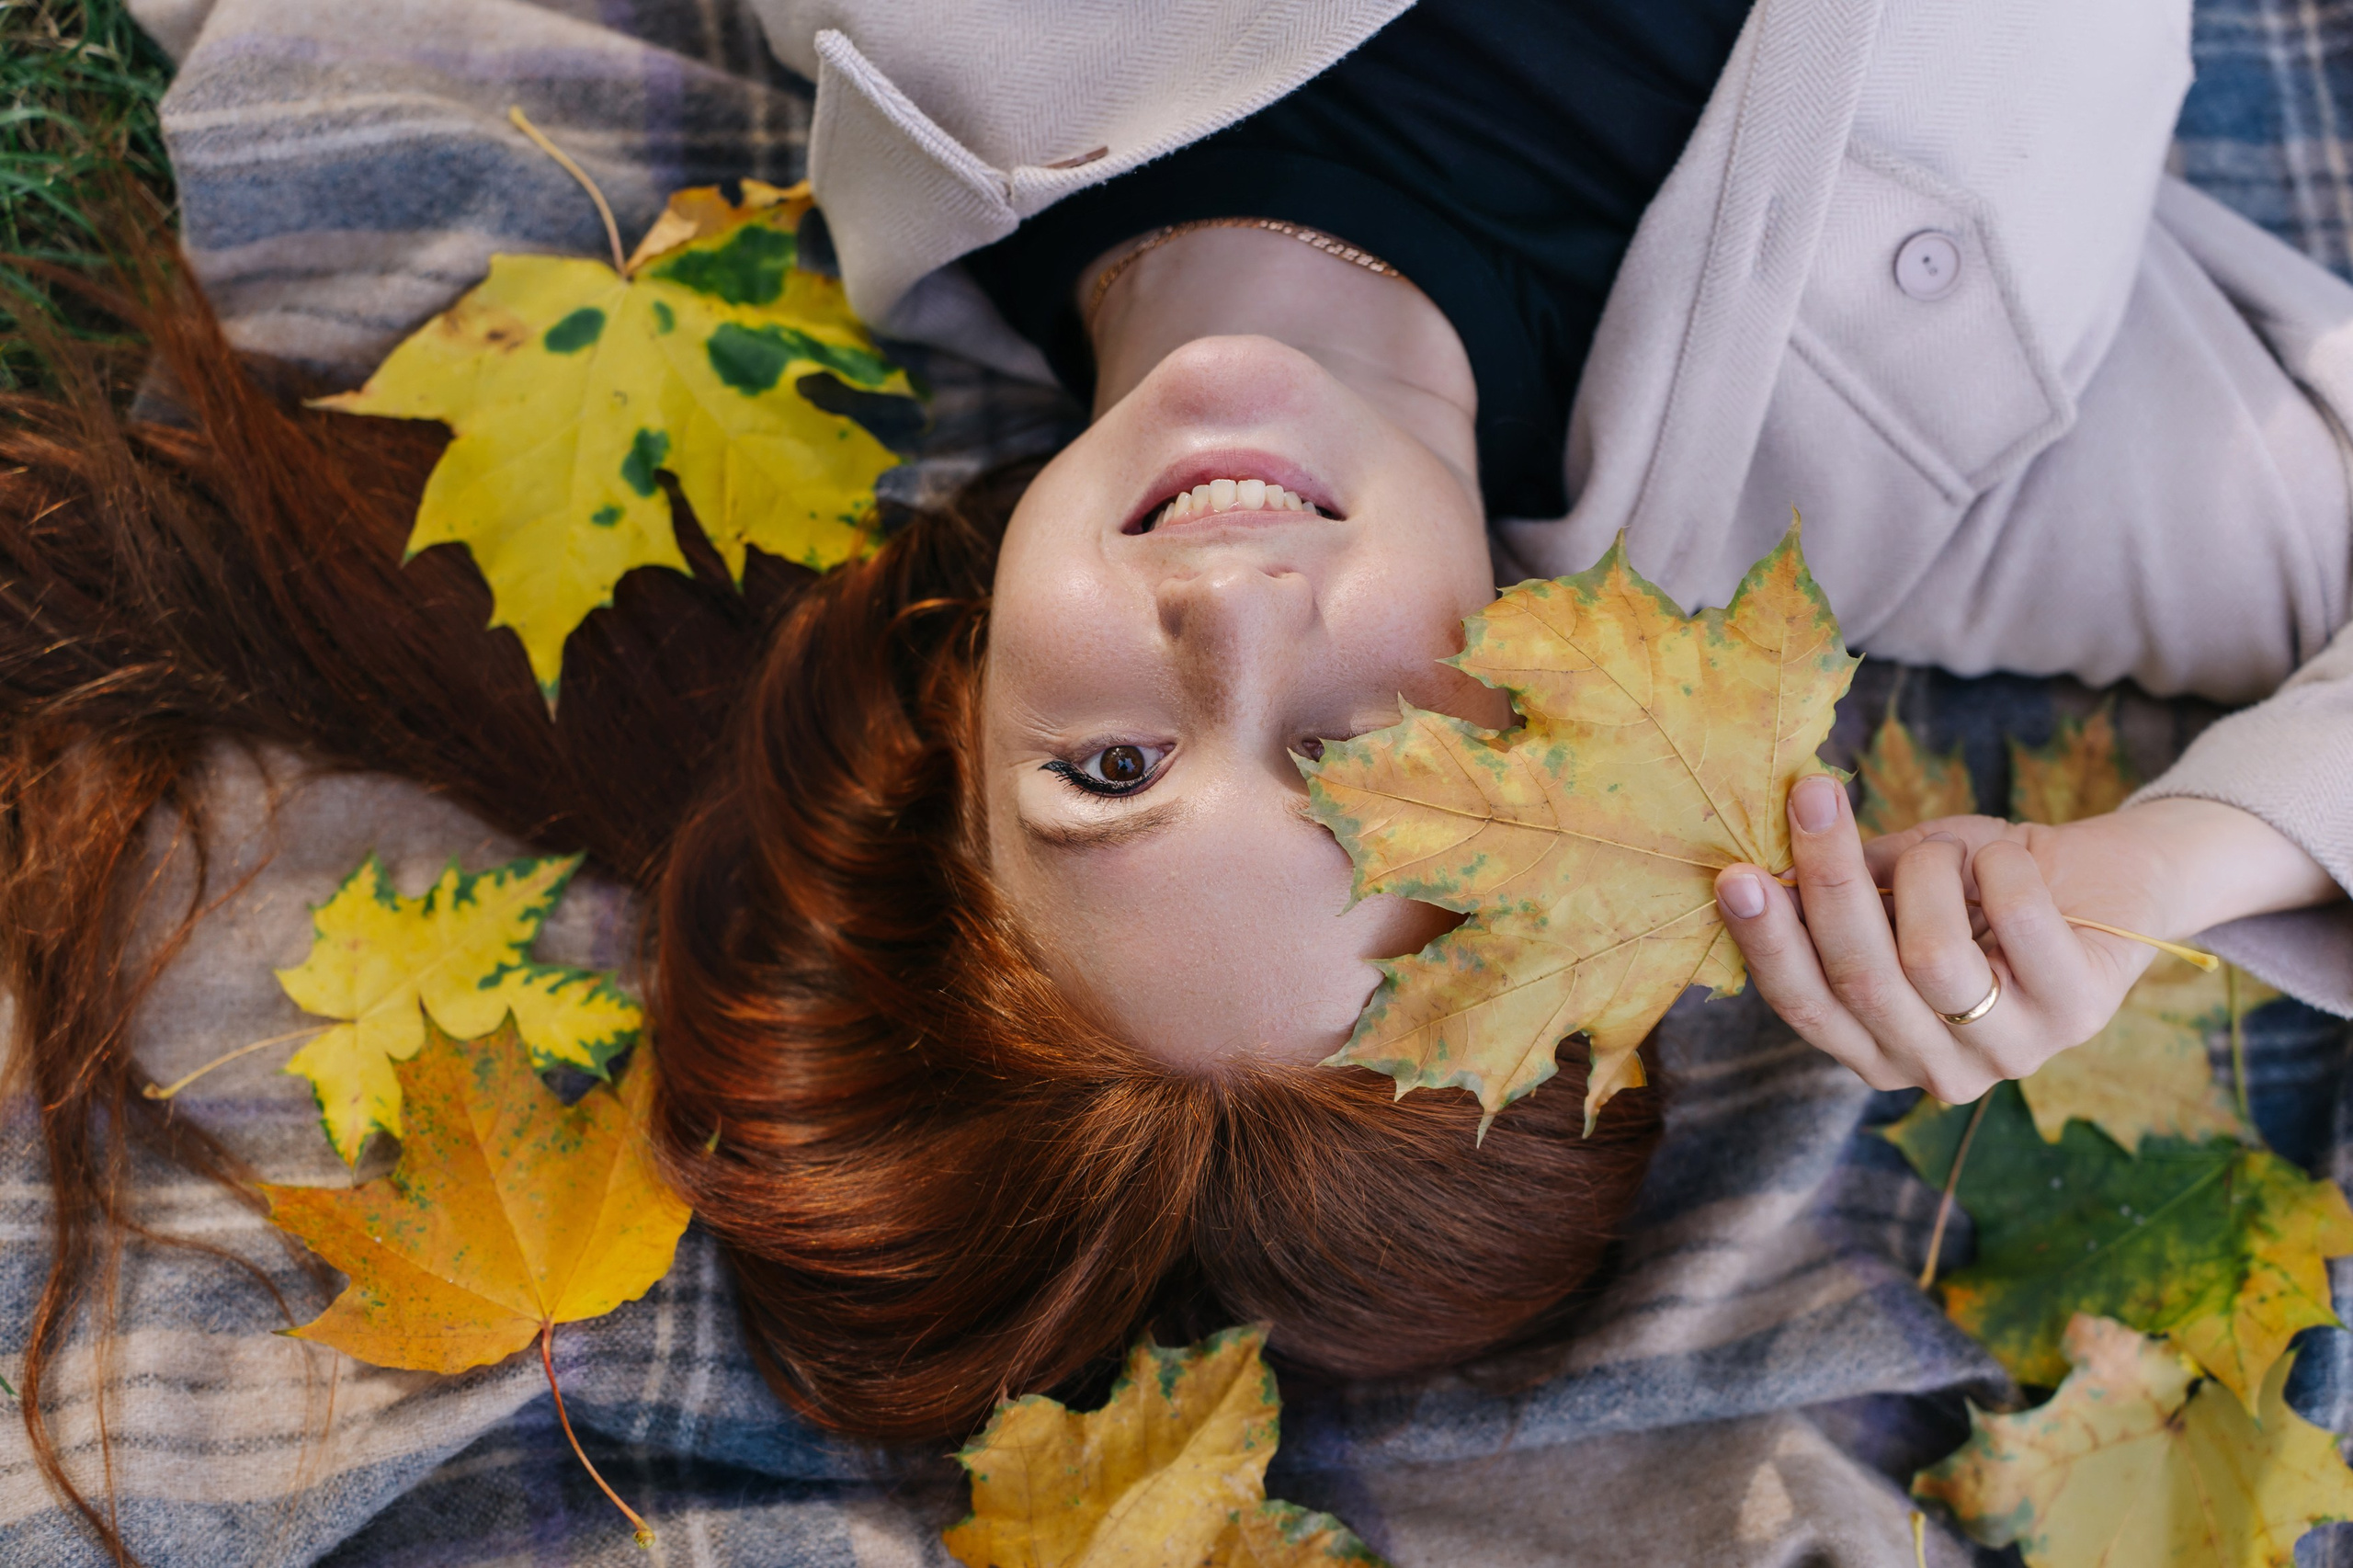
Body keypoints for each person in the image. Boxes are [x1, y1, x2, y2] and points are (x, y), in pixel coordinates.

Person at [5, 0, 2349, 1532]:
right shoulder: (1928, 485)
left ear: (953, 710)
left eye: (1109, 760)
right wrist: (2171, 860)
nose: (1230, 612)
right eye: (1354, 777)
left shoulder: (918, 63)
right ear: (1560, 807)